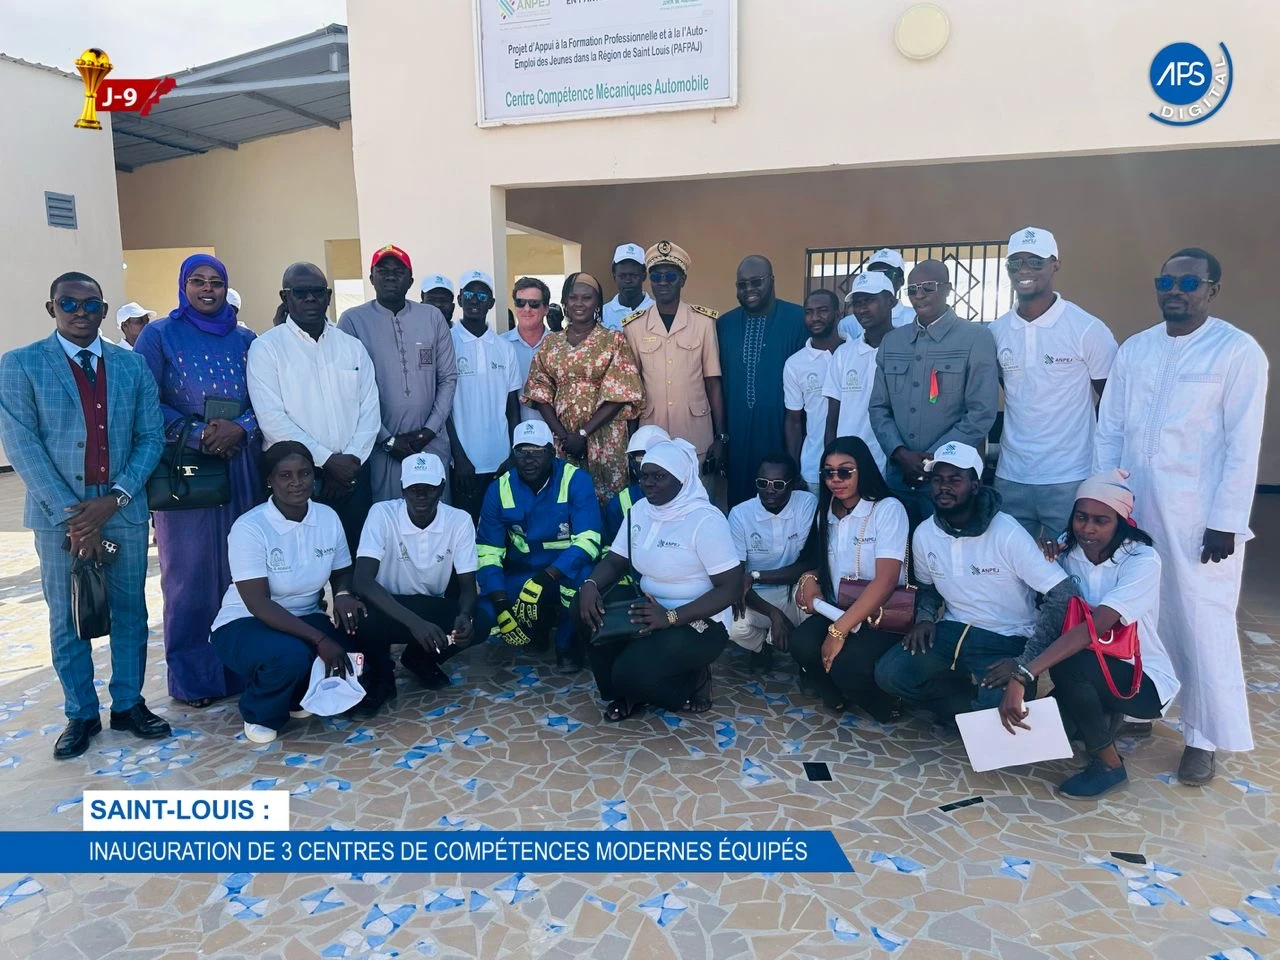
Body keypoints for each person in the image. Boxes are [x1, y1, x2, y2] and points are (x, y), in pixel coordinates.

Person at [1095, 247, 1268, 786]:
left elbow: (1244, 443)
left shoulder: (1237, 351)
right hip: (1137, 507)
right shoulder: (1136, 349)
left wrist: (1227, 518)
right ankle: (1144, 706)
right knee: (1138, 610)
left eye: (1189, 281)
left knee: (1201, 619)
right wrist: (1106, 501)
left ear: (1212, 289)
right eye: (1165, 280)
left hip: (1200, 518)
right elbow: (1110, 430)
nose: (1176, 289)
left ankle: (1203, 737)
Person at [0, 272, 167, 759]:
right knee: (67, 617)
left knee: (131, 612)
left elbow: (150, 437)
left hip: (122, 508)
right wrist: (77, 517)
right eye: (68, 303)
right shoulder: (21, 365)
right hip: (60, 517)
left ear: (102, 309)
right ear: (51, 308)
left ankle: (130, 704)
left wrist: (114, 498)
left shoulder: (130, 367)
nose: (79, 312)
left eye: (90, 305)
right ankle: (80, 713)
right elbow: (23, 446)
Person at [996, 471, 1180, 799]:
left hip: (1142, 682)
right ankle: (1098, 718)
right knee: (1052, 730)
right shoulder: (1066, 553)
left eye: (1101, 520)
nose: (1088, 528)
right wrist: (1044, 559)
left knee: (1071, 663)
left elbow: (1094, 628)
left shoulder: (1142, 560)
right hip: (1097, 672)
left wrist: (1023, 674)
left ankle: (1109, 763)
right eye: (1081, 518)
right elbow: (1049, 608)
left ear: (1121, 522)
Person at [873, 442, 1079, 725]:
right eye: (937, 480)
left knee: (1000, 714)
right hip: (950, 632)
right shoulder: (924, 533)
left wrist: (1025, 662)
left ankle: (978, 708)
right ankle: (966, 707)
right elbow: (927, 587)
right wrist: (923, 619)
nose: (944, 487)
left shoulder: (1007, 533)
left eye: (955, 480)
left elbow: (1063, 595)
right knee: (890, 675)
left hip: (1007, 639)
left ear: (975, 485)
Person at [133, 253, 261, 708]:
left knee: (240, 568)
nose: (208, 290)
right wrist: (195, 433)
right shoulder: (158, 335)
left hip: (239, 463)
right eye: (197, 281)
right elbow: (142, 397)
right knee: (187, 573)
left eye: (216, 283)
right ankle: (194, 679)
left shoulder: (247, 339)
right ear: (183, 286)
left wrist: (239, 427)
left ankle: (245, 669)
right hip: (183, 468)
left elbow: (264, 396)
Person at [208, 442, 367, 744]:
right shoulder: (250, 527)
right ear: (269, 480)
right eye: (285, 475)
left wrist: (344, 593)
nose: (297, 482)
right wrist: (319, 638)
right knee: (290, 655)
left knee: (354, 643)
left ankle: (296, 696)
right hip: (245, 622)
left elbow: (342, 570)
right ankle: (260, 712)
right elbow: (257, 603)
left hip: (305, 615)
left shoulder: (327, 517)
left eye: (305, 473)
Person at [579, 439, 744, 721]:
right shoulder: (640, 511)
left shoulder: (705, 521)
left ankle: (694, 679)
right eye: (644, 475)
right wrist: (589, 586)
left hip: (699, 620)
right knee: (583, 611)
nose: (648, 483)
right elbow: (616, 561)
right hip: (649, 608)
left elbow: (730, 588)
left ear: (681, 479)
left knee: (632, 673)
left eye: (659, 476)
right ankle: (625, 692)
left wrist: (670, 616)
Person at [990, 228, 1118, 543]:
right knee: (1012, 569)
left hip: (1070, 476)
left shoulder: (1086, 329)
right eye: (1015, 262)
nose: (1024, 270)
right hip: (1012, 475)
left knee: (1069, 567)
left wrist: (1104, 473)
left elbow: (1114, 403)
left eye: (1035, 261)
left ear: (1055, 264)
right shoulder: (996, 332)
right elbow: (1009, 389)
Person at [247, 263, 381, 556]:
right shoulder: (266, 348)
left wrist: (349, 463)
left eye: (317, 292)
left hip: (352, 477)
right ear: (285, 297)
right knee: (301, 563)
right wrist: (327, 461)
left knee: (356, 558)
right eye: (300, 292)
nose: (310, 299)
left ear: (328, 296)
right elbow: (272, 419)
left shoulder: (352, 347)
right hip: (297, 479)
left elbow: (370, 410)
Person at [868, 260, 999, 525]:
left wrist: (934, 459)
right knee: (898, 554)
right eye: (912, 290)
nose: (919, 296)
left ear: (948, 289)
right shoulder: (893, 342)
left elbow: (981, 411)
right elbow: (878, 408)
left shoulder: (975, 338)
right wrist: (901, 453)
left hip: (950, 482)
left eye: (927, 288)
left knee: (945, 556)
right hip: (898, 476)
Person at [353, 453, 480, 714]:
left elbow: (468, 587)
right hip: (386, 605)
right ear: (402, 489)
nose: (421, 496)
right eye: (414, 489)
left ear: (442, 488)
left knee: (482, 619)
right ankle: (381, 677)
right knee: (362, 617)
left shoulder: (459, 520)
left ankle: (419, 658)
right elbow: (362, 581)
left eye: (429, 488)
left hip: (428, 605)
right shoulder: (382, 514)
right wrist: (416, 624)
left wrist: (465, 615)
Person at [791, 438, 907, 720]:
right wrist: (809, 577)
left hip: (882, 613)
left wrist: (838, 631)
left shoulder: (887, 509)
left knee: (848, 666)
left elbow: (886, 579)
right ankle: (837, 693)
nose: (835, 480)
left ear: (863, 470)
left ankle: (885, 703)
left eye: (845, 471)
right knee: (801, 644)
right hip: (838, 606)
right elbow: (826, 560)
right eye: (828, 473)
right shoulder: (827, 511)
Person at [476, 420, 602, 669]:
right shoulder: (498, 489)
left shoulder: (575, 479)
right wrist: (501, 604)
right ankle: (537, 627)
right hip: (524, 574)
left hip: (565, 573)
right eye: (521, 452)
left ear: (552, 452)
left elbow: (589, 542)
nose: (528, 459)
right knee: (486, 611)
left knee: (585, 579)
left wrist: (543, 579)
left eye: (537, 452)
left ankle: (567, 643)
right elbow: (487, 552)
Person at [338, 244, 457, 503]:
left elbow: (448, 378)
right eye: (383, 270)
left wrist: (428, 431)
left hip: (431, 442)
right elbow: (349, 389)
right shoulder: (352, 321)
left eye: (398, 270)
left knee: (437, 513)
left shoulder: (432, 317)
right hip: (382, 446)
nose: (391, 275)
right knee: (389, 518)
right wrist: (386, 440)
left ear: (411, 280)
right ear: (371, 277)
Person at [524, 272, 645, 504]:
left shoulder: (614, 340)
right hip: (563, 440)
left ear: (597, 303)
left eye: (587, 298)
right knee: (566, 499)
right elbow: (539, 392)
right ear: (565, 302)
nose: (579, 303)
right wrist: (563, 436)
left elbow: (620, 393)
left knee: (609, 502)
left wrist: (583, 434)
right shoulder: (551, 342)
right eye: (573, 297)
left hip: (605, 435)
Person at [621, 241, 727, 480]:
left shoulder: (703, 322)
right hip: (651, 430)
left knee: (698, 496)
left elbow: (713, 382)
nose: (663, 282)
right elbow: (631, 391)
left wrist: (721, 437)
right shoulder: (634, 326)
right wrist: (631, 441)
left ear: (683, 280)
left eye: (670, 275)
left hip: (696, 433)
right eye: (656, 276)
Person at [717, 255, 808, 506]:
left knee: (783, 501)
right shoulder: (724, 325)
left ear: (772, 280)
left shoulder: (798, 319)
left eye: (756, 282)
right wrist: (721, 436)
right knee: (740, 505)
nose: (749, 290)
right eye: (742, 285)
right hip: (737, 435)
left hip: (782, 431)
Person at [728, 452, 817, 672]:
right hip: (756, 595)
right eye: (762, 483)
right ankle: (761, 647)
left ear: (794, 484)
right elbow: (737, 581)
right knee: (731, 626)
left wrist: (756, 575)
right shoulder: (740, 515)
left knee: (818, 608)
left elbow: (810, 563)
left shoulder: (807, 503)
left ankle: (805, 663)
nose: (769, 490)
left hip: (796, 588)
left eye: (778, 484)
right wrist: (774, 614)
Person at [446, 270, 522, 521]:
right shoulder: (446, 343)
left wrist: (513, 454)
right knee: (467, 531)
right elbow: (444, 408)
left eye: (481, 295)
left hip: (501, 462)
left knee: (501, 530)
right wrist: (458, 458)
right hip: (463, 466)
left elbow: (512, 408)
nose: (475, 300)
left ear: (491, 303)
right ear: (459, 299)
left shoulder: (505, 348)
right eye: (469, 294)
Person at [824, 272, 897, 470]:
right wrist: (831, 464)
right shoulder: (844, 354)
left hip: (895, 464)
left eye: (870, 300)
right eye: (857, 302)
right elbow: (832, 418)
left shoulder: (908, 349)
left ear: (891, 301)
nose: (862, 309)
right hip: (851, 467)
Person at [784, 289, 844, 489]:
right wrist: (794, 470)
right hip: (814, 467)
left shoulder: (857, 353)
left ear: (838, 313)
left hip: (859, 463)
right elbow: (793, 421)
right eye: (809, 312)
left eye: (822, 311)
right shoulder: (795, 364)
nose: (815, 318)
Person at [603, 424, 669, 543]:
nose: (650, 464)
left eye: (655, 457)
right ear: (633, 464)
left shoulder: (690, 497)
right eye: (642, 458)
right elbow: (609, 550)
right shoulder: (619, 504)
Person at [838, 248, 916, 340]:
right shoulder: (847, 324)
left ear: (901, 280)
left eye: (887, 274)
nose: (881, 278)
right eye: (874, 274)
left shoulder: (915, 319)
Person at [503, 277, 551, 422]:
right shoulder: (500, 345)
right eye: (520, 303)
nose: (527, 309)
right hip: (512, 435)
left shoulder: (560, 346)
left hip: (553, 435)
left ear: (546, 309)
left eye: (534, 304)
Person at [601, 243, 654, 331]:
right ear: (614, 276)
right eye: (622, 276)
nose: (628, 281)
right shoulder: (603, 314)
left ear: (644, 276)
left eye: (634, 275)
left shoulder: (656, 311)